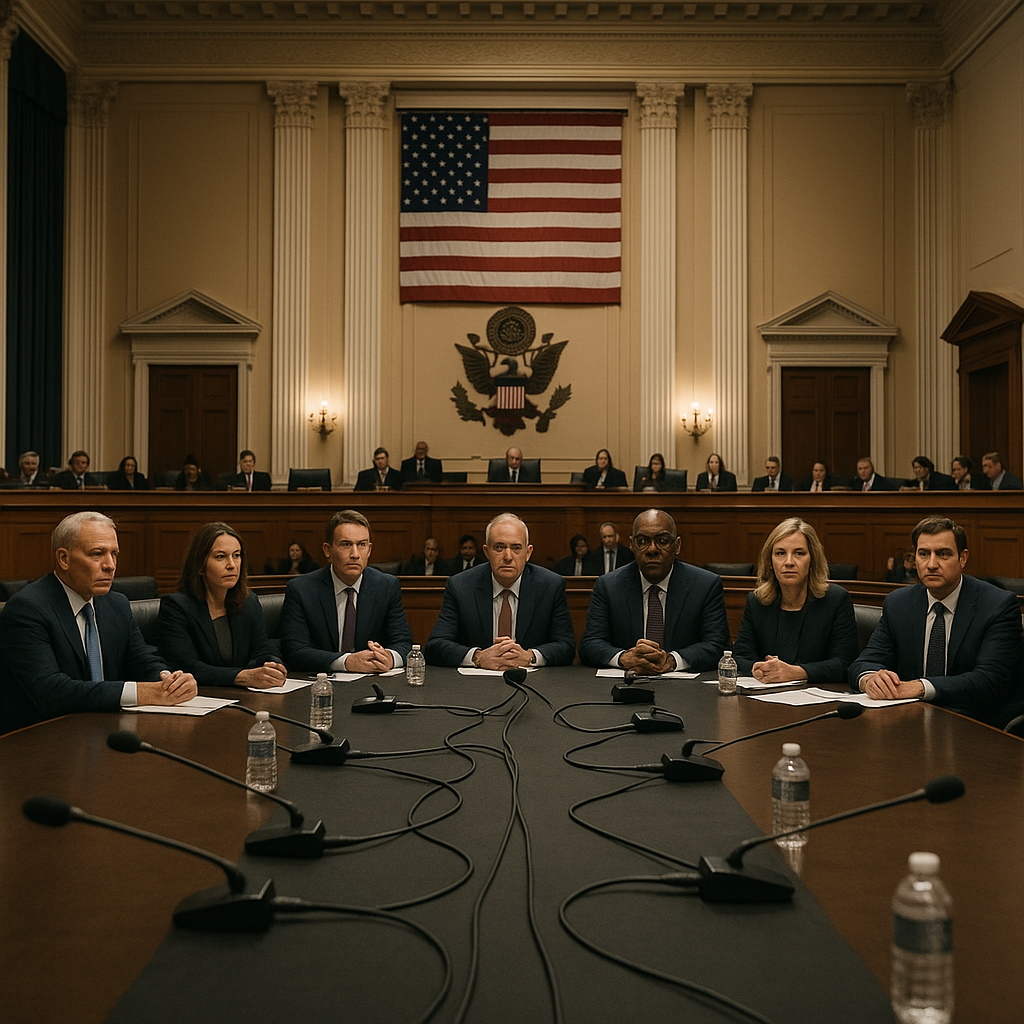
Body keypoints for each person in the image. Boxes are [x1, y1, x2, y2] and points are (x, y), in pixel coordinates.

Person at [0, 511, 197, 733]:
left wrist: (169, 681)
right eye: (97, 554)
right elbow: (51, 691)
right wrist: (143, 692)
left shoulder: (116, 603)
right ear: (64, 558)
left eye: (114, 553)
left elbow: (143, 659)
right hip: (42, 740)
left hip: (106, 731)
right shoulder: (28, 608)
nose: (110, 565)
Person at [850, 515, 1024, 725]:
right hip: (911, 720)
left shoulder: (997, 605)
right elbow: (864, 662)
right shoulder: (899, 604)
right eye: (923, 554)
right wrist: (870, 679)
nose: (931, 564)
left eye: (943, 554)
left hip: (976, 721)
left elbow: (990, 680)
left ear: (963, 558)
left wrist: (922, 687)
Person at [579, 508, 729, 674]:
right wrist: (626, 658)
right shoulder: (608, 586)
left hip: (687, 692)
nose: (652, 549)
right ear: (631, 545)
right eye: (642, 541)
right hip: (626, 687)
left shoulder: (705, 585)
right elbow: (590, 644)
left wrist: (671, 661)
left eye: (662, 540)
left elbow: (717, 645)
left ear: (677, 545)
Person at [424, 512, 576, 669]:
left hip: (532, 683)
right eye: (499, 547)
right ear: (486, 552)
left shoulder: (550, 586)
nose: (508, 556)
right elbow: (435, 646)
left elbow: (566, 646)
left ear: (528, 552)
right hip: (474, 686)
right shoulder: (460, 586)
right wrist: (478, 657)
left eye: (516, 548)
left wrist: (530, 656)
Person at [279, 509, 413, 674]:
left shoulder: (386, 586)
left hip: (371, 684)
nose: (355, 554)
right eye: (346, 544)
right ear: (328, 550)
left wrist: (389, 657)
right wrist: (347, 661)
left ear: (369, 550)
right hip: (320, 685)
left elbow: (404, 644)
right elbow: (294, 651)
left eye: (362, 545)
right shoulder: (301, 589)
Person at [157, 522, 286, 688]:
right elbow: (187, 667)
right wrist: (240, 677)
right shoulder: (176, 607)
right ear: (200, 566)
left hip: (245, 697)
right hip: (201, 699)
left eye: (236, 555)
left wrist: (272, 666)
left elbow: (262, 650)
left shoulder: (249, 602)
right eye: (220, 557)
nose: (232, 564)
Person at [732, 518, 858, 684]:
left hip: (817, 699)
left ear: (813, 560)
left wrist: (795, 672)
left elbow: (845, 663)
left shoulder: (835, 600)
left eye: (799, 553)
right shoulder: (757, 602)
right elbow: (740, 656)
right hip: (764, 696)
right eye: (780, 553)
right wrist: (762, 667)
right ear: (770, 562)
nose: (789, 562)